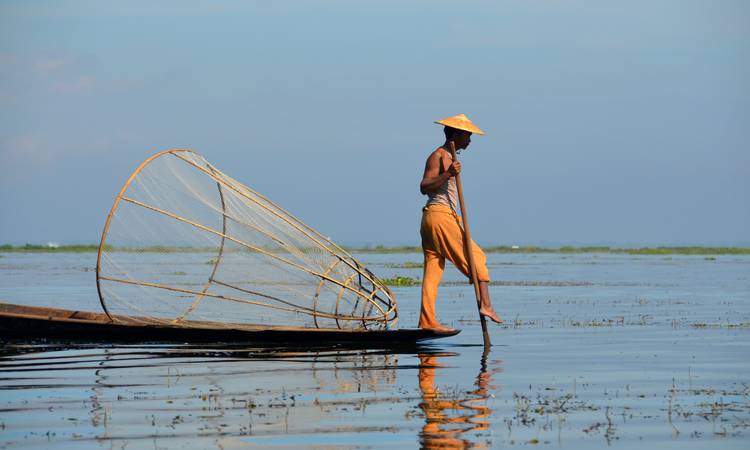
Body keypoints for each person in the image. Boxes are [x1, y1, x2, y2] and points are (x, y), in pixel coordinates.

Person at [418, 114, 502, 331]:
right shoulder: (438, 155)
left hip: (435, 218)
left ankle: (426, 321)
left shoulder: (449, 156)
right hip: (439, 215)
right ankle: (487, 304)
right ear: (456, 134)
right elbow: (424, 186)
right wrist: (448, 174)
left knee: (433, 270)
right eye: (468, 136)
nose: (470, 141)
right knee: (477, 257)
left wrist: (450, 172)